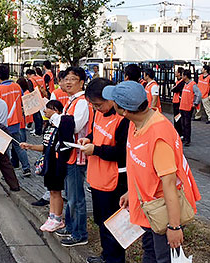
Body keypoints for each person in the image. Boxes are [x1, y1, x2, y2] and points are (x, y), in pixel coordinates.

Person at [102, 80, 201, 263]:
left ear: (124, 110)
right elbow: (142, 168)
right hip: (148, 207)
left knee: (162, 258)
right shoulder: (135, 123)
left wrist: (174, 227)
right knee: (149, 251)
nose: (111, 103)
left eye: (113, 101)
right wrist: (132, 192)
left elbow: (169, 184)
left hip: (163, 211)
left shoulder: (159, 136)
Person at [79, 78, 129, 263]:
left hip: (114, 179)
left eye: (99, 104)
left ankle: (114, 259)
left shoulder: (123, 119)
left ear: (111, 98)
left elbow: (122, 152)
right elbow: (95, 132)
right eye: (93, 105)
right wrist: (88, 140)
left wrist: (96, 150)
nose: (96, 109)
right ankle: (105, 255)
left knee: (113, 224)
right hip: (97, 176)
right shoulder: (99, 113)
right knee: (101, 221)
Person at [21, 100, 74, 232]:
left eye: (48, 108)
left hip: (57, 163)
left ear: (56, 111)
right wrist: (31, 146)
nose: (45, 111)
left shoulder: (61, 126)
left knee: (56, 191)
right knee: (51, 190)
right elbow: (46, 147)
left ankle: (58, 218)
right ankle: (52, 216)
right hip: (48, 162)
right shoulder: (48, 126)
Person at [54, 67, 90, 247]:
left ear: (82, 82)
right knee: (70, 195)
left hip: (77, 157)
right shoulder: (71, 101)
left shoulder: (82, 102)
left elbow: (74, 127)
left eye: (73, 79)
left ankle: (79, 233)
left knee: (76, 197)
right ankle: (70, 226)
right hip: (69, 155)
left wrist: (55, 118)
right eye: (66, 78)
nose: (68, 82)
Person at [0, 65, 31, 177]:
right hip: (16, 122)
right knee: (18, 146)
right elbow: (22, 101)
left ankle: (7, 172)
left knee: (4, 150)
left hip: (3, 124)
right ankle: (26, 168)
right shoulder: (17, 86)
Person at [179, 70, 202, 147]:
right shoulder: (185, 84)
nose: (181, 77)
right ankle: (185, 138)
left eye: (182, 75)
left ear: (185, 76)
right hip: (182, 107)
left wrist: (195, 103)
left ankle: (187, 140)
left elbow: (199, 94)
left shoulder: (193, 85)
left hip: (188, 108)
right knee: (183, 124)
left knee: (187, 124)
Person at [26, 69, 44, 137]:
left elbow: (31, 91)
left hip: (35, 99)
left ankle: (38, 131)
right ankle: (39, 130)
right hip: (42, 97)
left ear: (28, 74)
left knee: (37, 116)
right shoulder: (41, 78)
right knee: (41, 115)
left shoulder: (31, 80)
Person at [171, 67, 185, 137]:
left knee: (178, 118)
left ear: (179, 73)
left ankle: (180, 133)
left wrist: (173, 88)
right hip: (175, 101)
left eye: (176, 72)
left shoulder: (182, 82)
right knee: (175, 117)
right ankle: (177, 132)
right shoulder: (177, 81)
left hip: (178, 102)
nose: (175, 73)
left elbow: (175, 89)